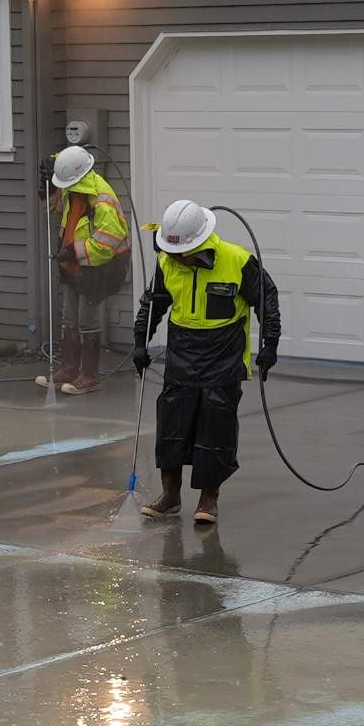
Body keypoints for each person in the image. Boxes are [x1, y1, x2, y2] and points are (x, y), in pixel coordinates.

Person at [133, 200, 279, 526]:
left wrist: (271, 344)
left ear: (196, 243)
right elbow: (152, 304)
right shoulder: (167, 261)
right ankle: (170, 496)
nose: (172, 256)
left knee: (217, 428)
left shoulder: (238, 261)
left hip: (223, 356)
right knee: (172, 427)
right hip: (182, 353)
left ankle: (208, 500)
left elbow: (268, 301)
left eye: (178, 251)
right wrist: (139, 341)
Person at [40, 145, 130, 394]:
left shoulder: (100, 198)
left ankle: (89, 375)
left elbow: (107, 242)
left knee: (86, 318)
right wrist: (46, 185)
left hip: (100, 266)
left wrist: (75, 251)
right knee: (69, 316)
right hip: (75, 265)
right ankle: (69, 369)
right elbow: (56, 209)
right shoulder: (73, 187)